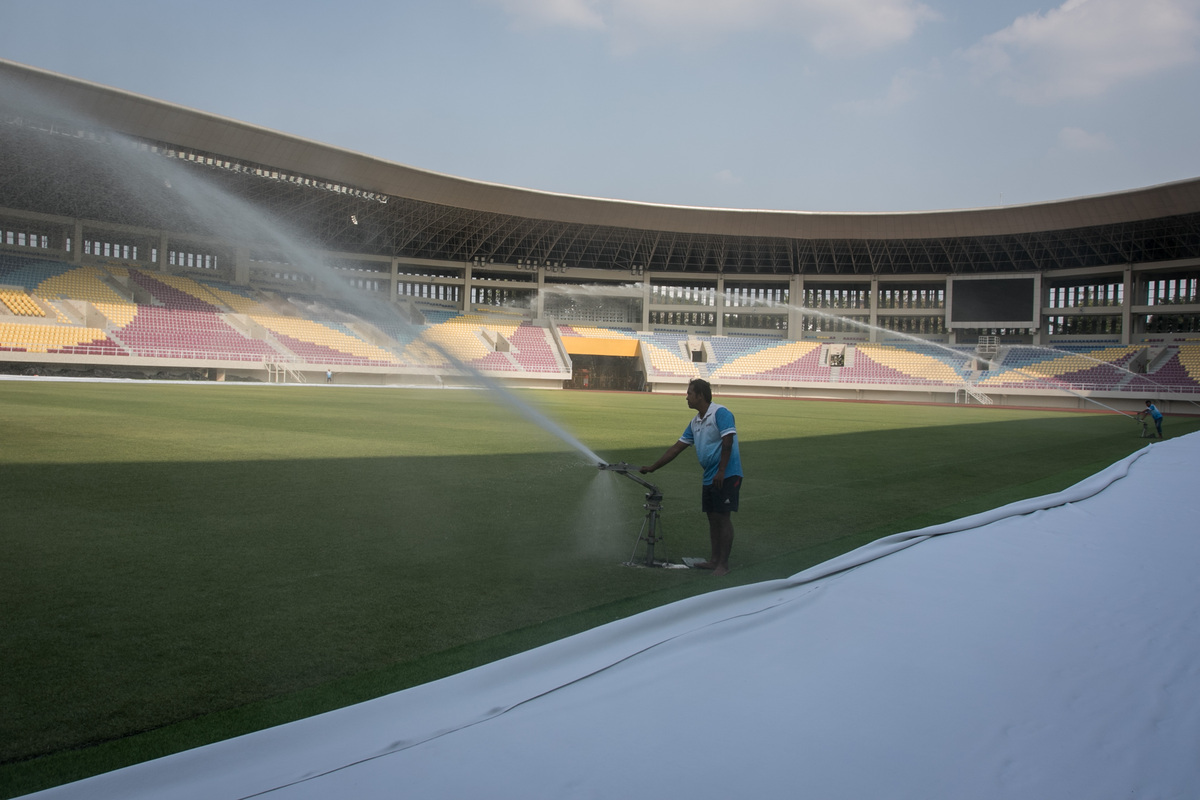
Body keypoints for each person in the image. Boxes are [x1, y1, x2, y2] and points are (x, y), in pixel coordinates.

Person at [640, 378, 743, 576]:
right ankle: (714, 560)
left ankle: (723, 564)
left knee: (723, 518)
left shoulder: (720, 413)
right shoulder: (695, 422)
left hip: (728, 474)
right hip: (710, 476)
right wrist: (653, 467)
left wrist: (722, 470)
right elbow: (677, 448)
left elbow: (728, 441)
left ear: (700, 396)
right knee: (713, 518)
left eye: (689, 393)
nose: (686, 397)